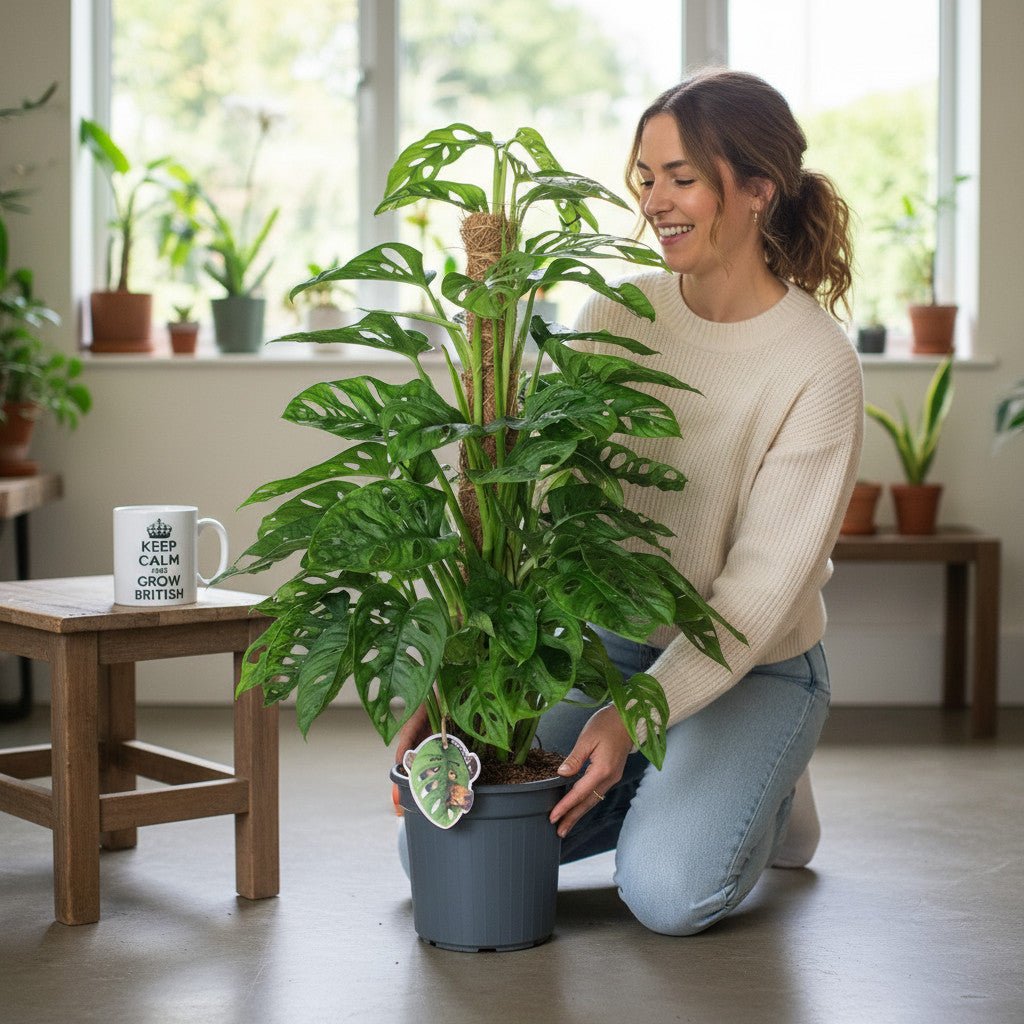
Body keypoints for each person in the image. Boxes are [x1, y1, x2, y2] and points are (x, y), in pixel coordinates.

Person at [397, 68, 863, 937]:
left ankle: (761, 782)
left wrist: (627, 720)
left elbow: (757, 596)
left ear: (757, 188)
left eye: (682, 177)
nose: (655, 200)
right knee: (444, 826)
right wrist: (461, 679)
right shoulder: (617, 311)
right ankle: (689, 770)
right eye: (645, 177)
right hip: (611, 646)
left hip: (752, 662)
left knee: (669, 894)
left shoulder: (817, 365)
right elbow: (552, 511)